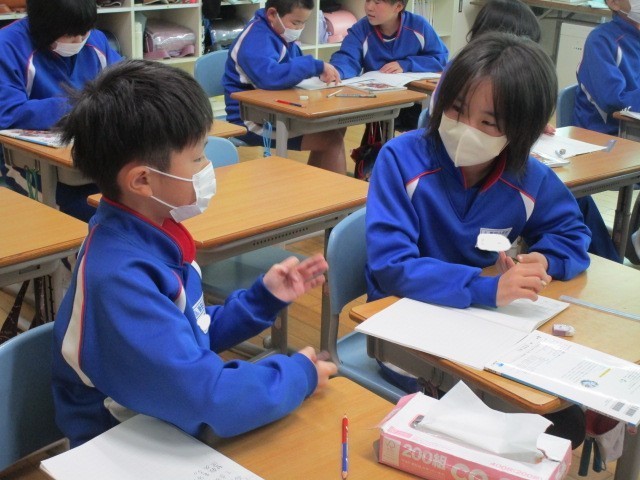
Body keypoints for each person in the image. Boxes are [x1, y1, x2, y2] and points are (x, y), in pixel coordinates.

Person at [52, 59, 337, 448]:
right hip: (121, 442)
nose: (208, 168)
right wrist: (298, 375)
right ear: (142, 180)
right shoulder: (120, 276)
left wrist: (262, 299)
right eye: (199, 158)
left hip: (163, 419)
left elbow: (190, 334)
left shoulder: (153, 236)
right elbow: (208, 397)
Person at [365, 32, 591, 447]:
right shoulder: (401, 159)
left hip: (484, 329)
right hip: (409, 334)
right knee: (552, 426)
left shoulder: (527, 177)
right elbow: (392, 266)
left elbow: (571, 232)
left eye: (488, 123)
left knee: (563, 419)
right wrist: (487, 289)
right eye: (456, 109)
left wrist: (545, 259)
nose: (465, 129)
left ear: (522, 131)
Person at [465, 0, 620, 263]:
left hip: (511, 184)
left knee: (578, 202)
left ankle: (612, 266)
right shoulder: (463, 81)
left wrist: (548, 261)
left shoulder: (514, 89)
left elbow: (569, 234)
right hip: (483, 213)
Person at [0, 0, 121, 221]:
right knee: (93, 214)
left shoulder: (94, 40)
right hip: (28, 164)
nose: (79, 40)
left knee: (139, 203)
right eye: (70, 35)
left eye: (85, 31)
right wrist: (84, 104)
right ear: (42, 26)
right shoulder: (7, 46)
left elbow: (126, 84)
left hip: (93, 158)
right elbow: (8, 113)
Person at [223, 0, 346, 174]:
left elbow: (292, 68)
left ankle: (317, 188)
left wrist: (316, 72)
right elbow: (270, 78)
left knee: (333, 126)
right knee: (331, 140)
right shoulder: (255, 39)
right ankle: (334, 191)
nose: (299, 28)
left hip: (275, 110)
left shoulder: (280, 33)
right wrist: (314, 66)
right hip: (249, 119)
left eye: (303, 22)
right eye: (296, 22)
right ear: (272, 14)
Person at [574, 0, 640, 264]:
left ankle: (635, 240)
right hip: (606, 139)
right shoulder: (602, 40)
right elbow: (613, 100)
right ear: (612, 2)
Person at [329, 0, 448, 131]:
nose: (369, 7)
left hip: (414, 102)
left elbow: (440, 58)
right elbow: (347, 57)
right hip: (379, 101)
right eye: (367, 0)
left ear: (398, 6)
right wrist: (335, 71)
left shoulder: (418, 25)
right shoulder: (361, 29)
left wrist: (407, 64)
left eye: (377, 2)